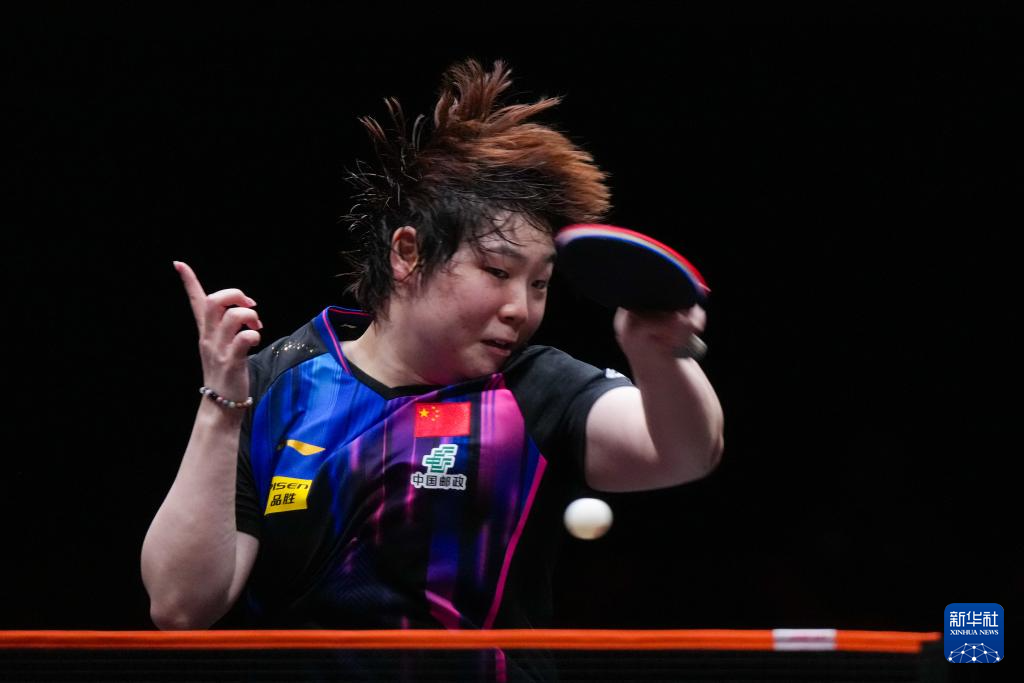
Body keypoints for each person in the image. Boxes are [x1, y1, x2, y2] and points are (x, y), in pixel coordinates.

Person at [141, 59, 723, 635]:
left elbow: (684, 452)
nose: (521, 308)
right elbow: (180, 607)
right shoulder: (276, 385)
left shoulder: (536, 389)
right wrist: (221, 407)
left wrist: (660, 356)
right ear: (408, 253)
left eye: (540, 284)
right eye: (497, 271)